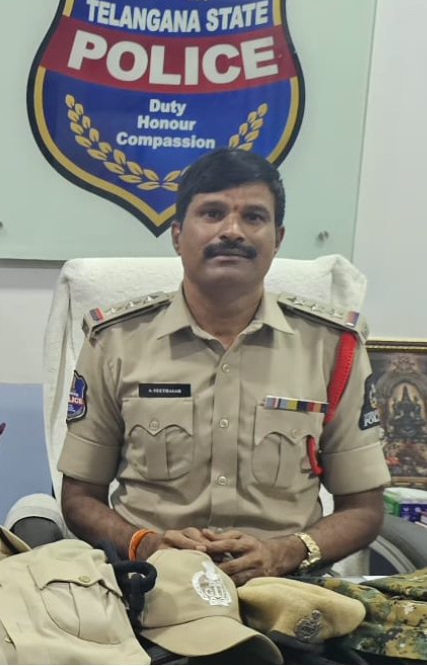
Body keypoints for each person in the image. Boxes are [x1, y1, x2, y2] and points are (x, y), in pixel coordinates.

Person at [59, 148, 390, 585]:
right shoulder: (115, 341)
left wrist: (285, 552)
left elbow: (364, 508)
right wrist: (147, 545)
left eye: (253, 217)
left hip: (285, 588)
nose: (232, 231)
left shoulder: (331, 347)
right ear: (178, 235)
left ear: (278, 239)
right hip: (150, 584)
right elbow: (79, 498)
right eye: (212, 213)